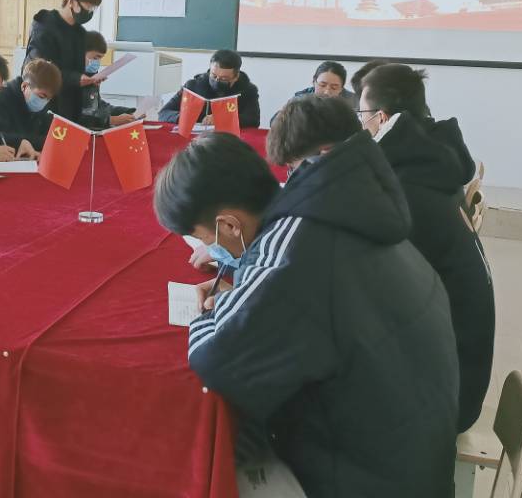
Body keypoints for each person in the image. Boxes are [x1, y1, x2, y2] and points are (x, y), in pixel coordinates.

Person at [154, 106, 459, 498]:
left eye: (204, 238)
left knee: (207, 464)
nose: (208, 248)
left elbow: (217, 359)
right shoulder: (332, 208)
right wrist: (243, 296)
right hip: (411, 456)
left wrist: (206, 311)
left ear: (229, 223)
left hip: (368, 479)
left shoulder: (295, 250)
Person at [360, 64, 494, 432]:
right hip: (458, 375)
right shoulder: (432, 166)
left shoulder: (407, 190)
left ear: (380, 118)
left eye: (361, 114)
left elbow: (370, 291)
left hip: (444, 399)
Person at [23, 0, 103, 120]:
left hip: (71, 109)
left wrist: (91, 79)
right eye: (89, 7)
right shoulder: (44, 27)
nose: (91, 12)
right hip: (48, 109)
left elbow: (77, 70)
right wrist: (76, 78)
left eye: (94, 8)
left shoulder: (79, 33)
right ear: (71, 2)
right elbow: (39, 71)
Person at [158, 49, 260, 127]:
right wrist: (182, 117)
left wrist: (223, 118)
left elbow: (253, 120)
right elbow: (164, 113)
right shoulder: (192, 86)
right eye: (214, 76)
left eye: (224, 79)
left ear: (236, 76)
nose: (217, 81)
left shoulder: (248, 90)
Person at [0, 58, 61, 154]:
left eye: (48, 99)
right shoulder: (1, 99)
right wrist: (21, 142)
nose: (44, 102)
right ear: (24, 86)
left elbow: (49, 139)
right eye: (42, 96)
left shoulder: (42, 106)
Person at [80, 31, 137, 130]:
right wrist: (111, 120)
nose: (96, 62)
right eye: (95, 57)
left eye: (99, 59)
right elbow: (73, 116)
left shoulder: (91, 76)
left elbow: (99, 106)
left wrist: (129, 112)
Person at [292, 60, 356, 108]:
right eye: (322, 85)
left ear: (341, 88)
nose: (327, 92)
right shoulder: (299, 101)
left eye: (334, 88)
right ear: (314, 82)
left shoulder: (354, 102)